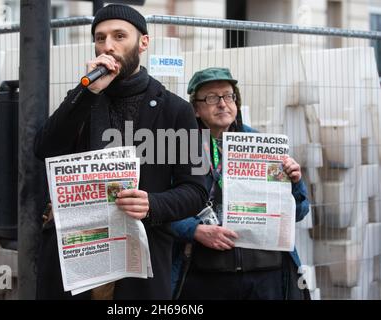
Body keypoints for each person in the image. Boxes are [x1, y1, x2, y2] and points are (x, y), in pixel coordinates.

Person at [33, 4, 207, 300]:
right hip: (79, 258)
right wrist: (86, 93)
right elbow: (45, 148)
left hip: (139, 264)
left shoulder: (175, 110)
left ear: (143, 42)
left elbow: (197, 190)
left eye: (119, 36)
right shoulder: (84, 99)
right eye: (100, 38)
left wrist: (152, 203)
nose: (108, 46)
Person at [171, 67, 311, 300]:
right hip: (208, 273)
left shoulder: (262, 144)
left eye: (228, 96)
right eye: (212, 98)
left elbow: (299, 212)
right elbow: (161, 211)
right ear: (195, 109)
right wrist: (194, 230)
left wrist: (295, 182)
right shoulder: (180, 148)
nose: (223, 104)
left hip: (266, 273)